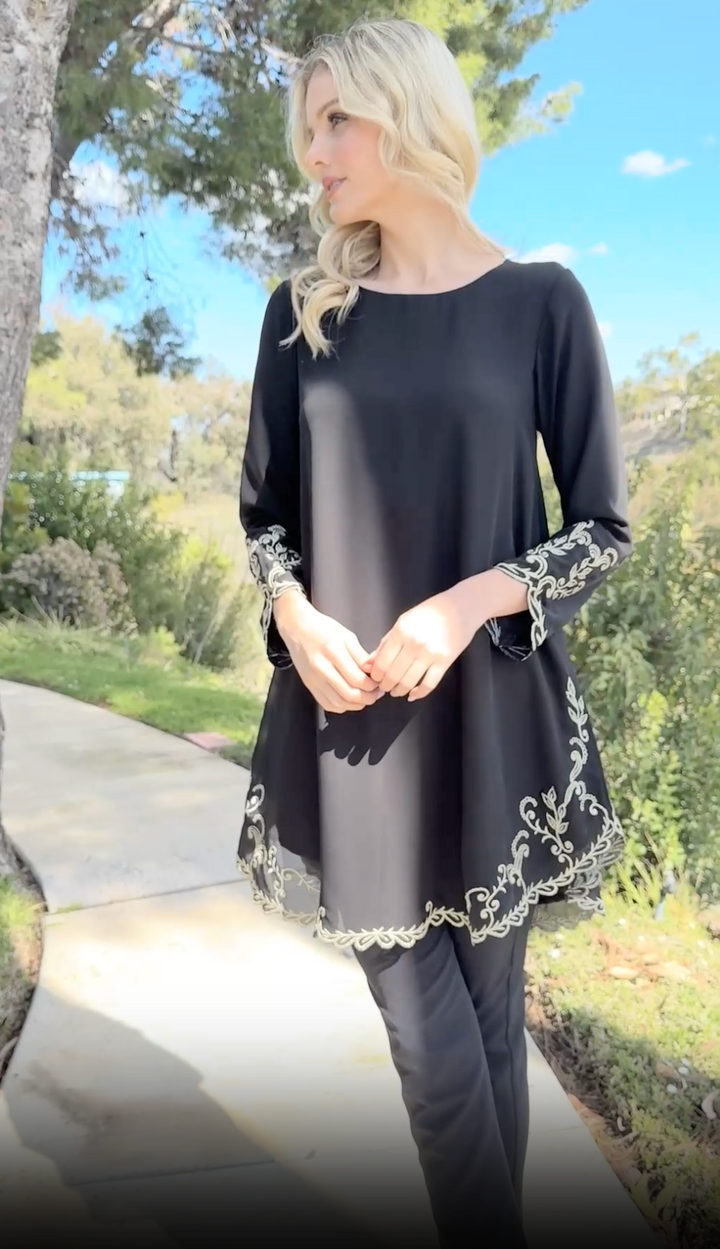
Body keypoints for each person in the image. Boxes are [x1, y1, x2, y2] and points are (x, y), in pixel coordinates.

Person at [236, 17, 632, 1249]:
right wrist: (293, 611)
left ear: (408, 117)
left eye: (336, 122)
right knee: (434, 1052)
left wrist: (467, 601)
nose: (314, 153)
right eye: (308, 129)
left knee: (493, 1034)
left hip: (495, 726)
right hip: (353, 727)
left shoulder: (541, 303)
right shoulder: (304, 315)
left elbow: (603, 528)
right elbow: (264, 517)